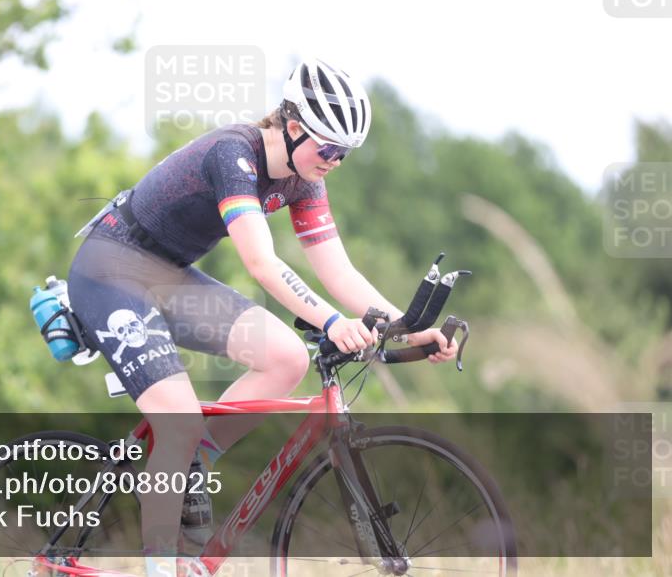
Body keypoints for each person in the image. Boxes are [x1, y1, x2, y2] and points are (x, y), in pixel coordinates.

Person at [67, 58, 457, 577]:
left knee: (285, 357)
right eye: (330, 148)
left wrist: (406, 324)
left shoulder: (303, 176)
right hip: (110, 273)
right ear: (293, 127)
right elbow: (262, 264)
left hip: (167, 277)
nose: (336, 162)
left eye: (345, 154)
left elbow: (338, 272)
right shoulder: (235, 155)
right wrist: (333, 322)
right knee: (178, 424)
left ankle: (189, 471)